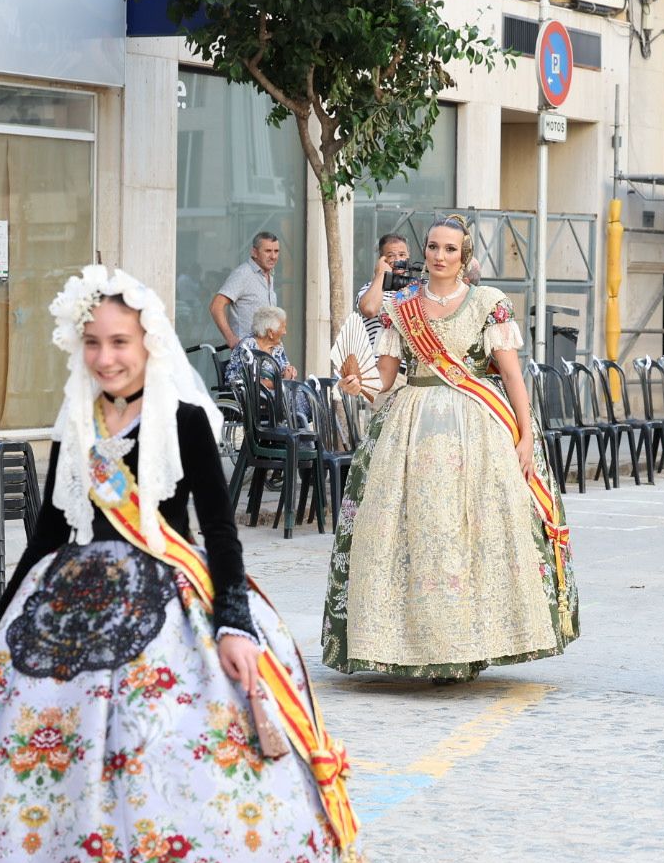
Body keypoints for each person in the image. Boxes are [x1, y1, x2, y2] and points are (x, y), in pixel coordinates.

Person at [0, 267, 382, 863]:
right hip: (68, 610)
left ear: (147, 343)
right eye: (92, 342)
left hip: (167, 606)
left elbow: (217, 530)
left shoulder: (182, 419)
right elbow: (51, 529)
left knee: (156, 771)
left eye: (119, 341)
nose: (105, 357)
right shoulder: (79, 417)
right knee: (51, 776)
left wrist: (235, 625)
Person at [321, 215, 578, 681]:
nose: (439, 256)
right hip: (410, 426)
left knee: (474, 533)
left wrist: (525, 434)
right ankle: (406, 644)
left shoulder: (488, 303)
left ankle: (473, 644)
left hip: (478, 427)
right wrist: (356, 384)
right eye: (433, 247)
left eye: (450, 250)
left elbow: (512, 375)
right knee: (411, 533)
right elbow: (386, 379)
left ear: (465, 257)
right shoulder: (402, 305)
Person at [210, 231, 280, 350]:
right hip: (247, 356)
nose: (273, 256)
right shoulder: (243, 274)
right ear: (254, 252)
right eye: (268, 251)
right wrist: (230, 338)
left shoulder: (269, 275)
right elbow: (216, 306)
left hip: (266, 354)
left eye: (276, 251)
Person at [355, 234, 413, 343]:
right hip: (377, 359)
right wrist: (381, 273)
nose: (397, 260)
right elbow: (369, 309)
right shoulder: (369, 288)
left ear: (408, 257)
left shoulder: (417, 290)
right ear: (382, 259)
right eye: (391, 256)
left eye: (402, 255)